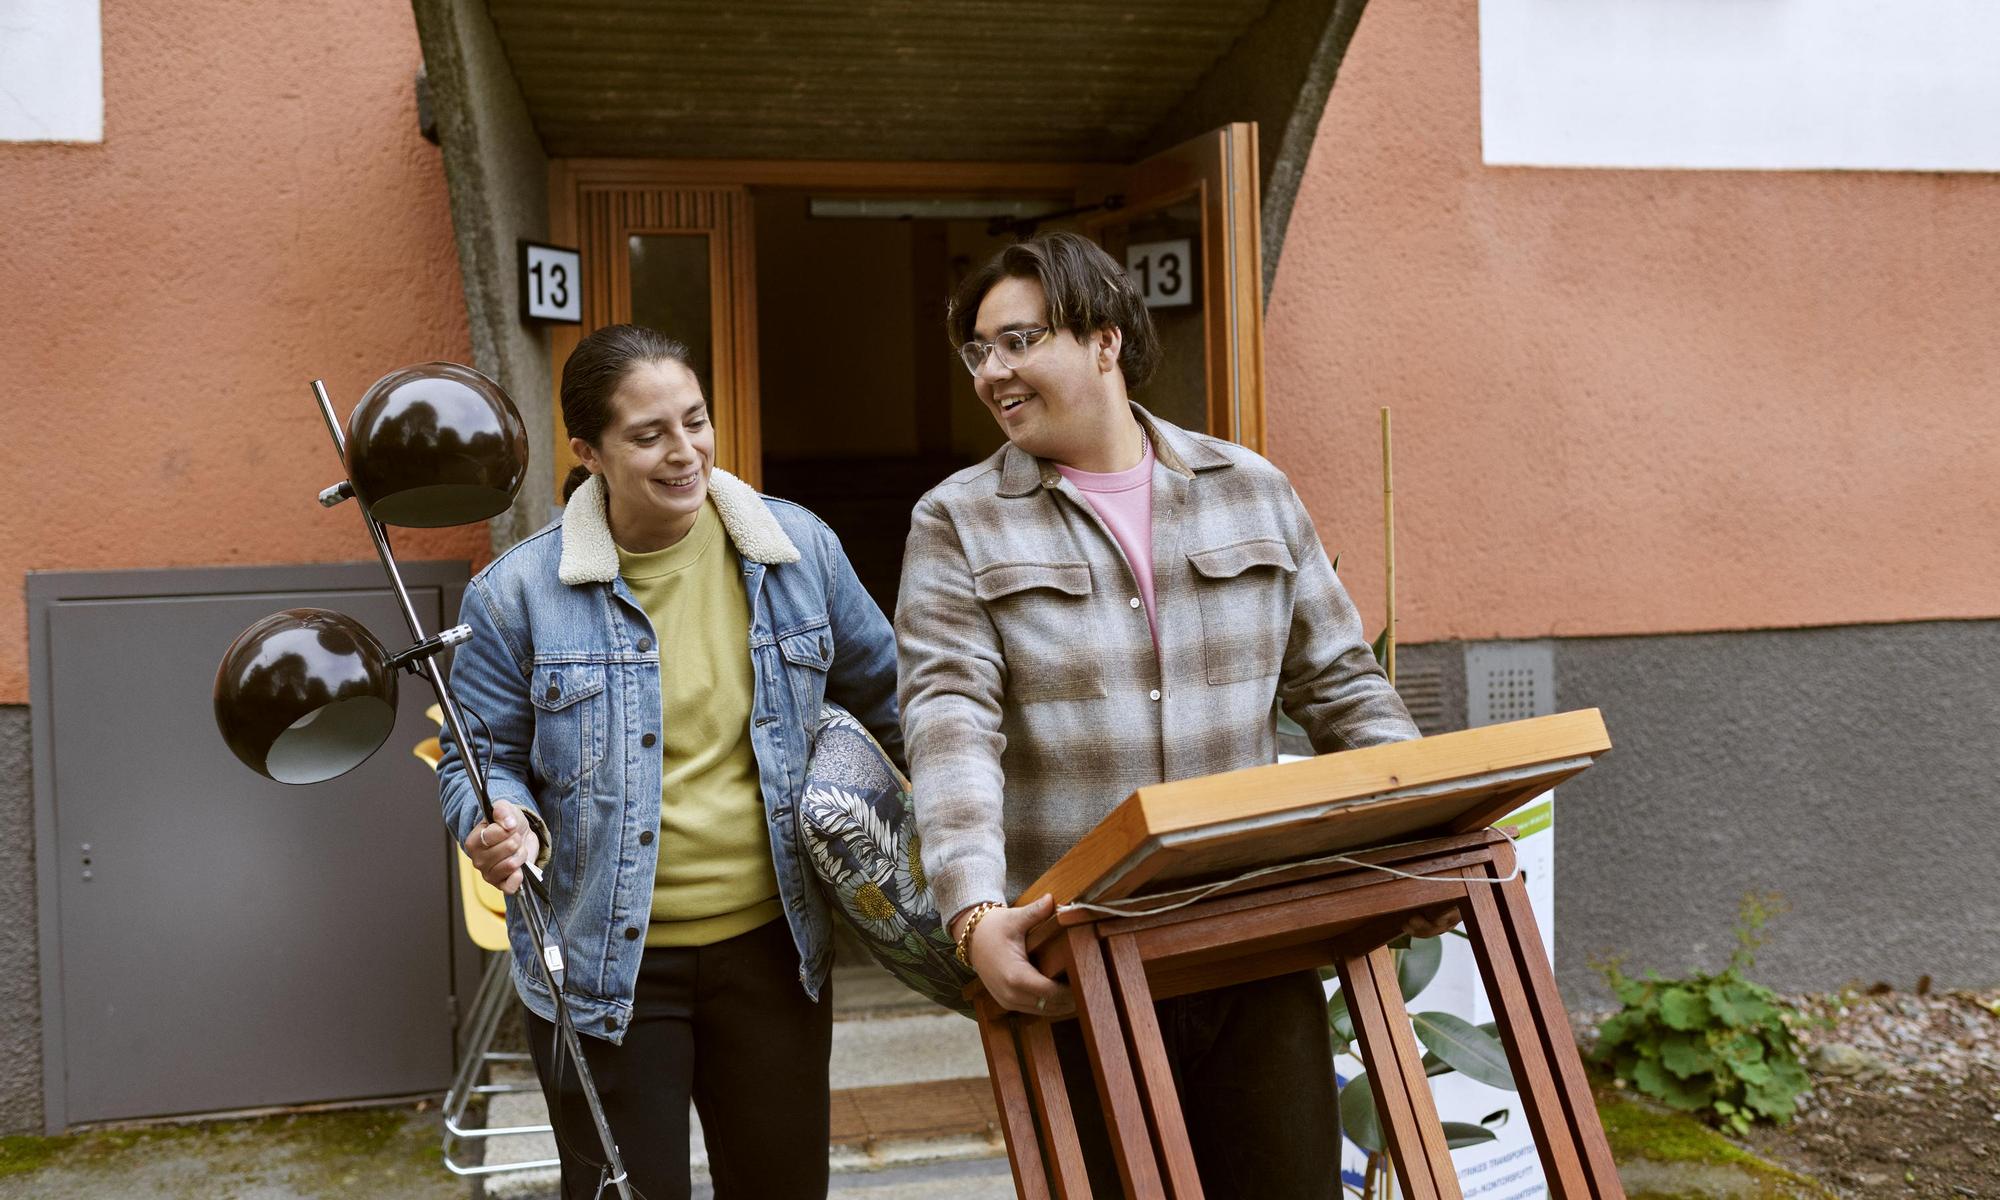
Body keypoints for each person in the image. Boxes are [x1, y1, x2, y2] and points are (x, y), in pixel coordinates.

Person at [896, 233, 1420, 1197]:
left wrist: (1419, 824)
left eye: (1017, 341)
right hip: (1084, 960)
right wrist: (974, 912)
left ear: (1104, 341)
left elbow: (1342, 685)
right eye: (978, 352)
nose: (993, 372)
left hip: (1256, 945)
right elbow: (950, 718)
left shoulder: (1251, 490)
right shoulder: (956, 522)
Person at [437, 323, 901, 1200]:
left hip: (776, 953)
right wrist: (502, 822)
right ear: (589, 452)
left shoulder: (799, 552)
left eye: (695, 421)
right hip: (605, 965)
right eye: (649, 435)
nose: (685, 452)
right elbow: (477, 761)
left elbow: (896, 703)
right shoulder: (517, 595)